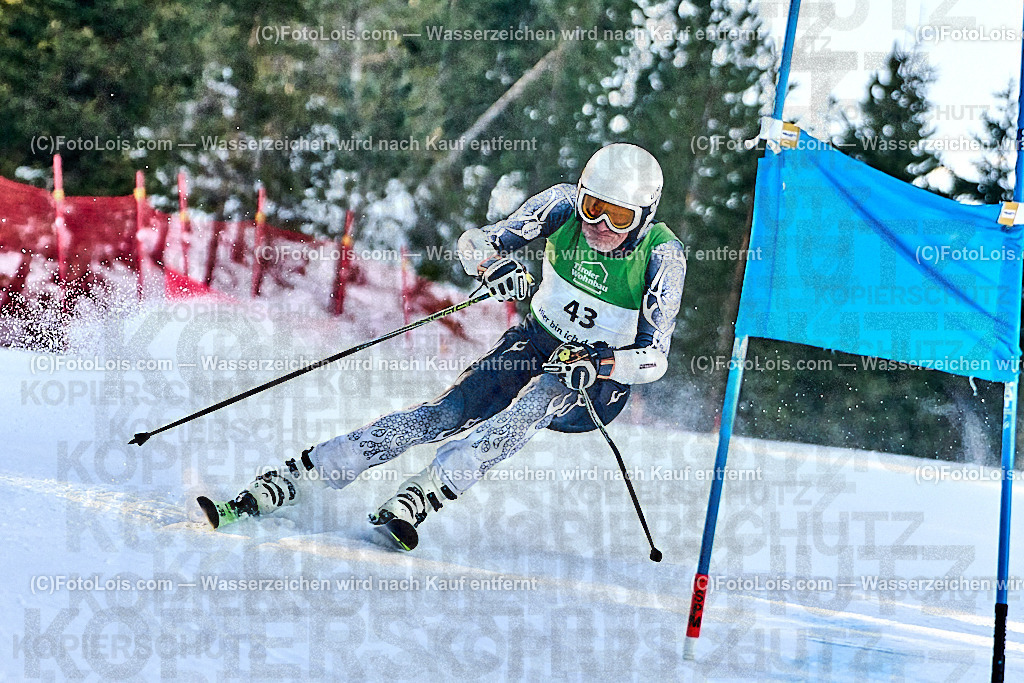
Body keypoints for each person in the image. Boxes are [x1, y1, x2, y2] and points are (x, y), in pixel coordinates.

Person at [197, 142, 687, 550]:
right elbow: (475, 242)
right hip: (538, 338)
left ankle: (426, 492)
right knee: (447, 412)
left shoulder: (662, 256)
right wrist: (492, 266)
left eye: (618, 215)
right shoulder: (559, 206)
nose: (599, 223)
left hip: (600, 378)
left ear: (644, 217)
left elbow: (653, 359)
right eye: (592, 206)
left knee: (535, 403)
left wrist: (604, 360)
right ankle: (298, 477)